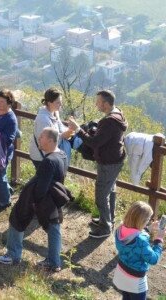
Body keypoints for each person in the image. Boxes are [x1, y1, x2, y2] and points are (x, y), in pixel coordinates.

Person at [0, 128, 69, 272]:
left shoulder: (48, 161)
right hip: (53, 198)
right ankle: (54, 262)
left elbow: (41, 188)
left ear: (50, 140)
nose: (38, 139)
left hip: (41, 199)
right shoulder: (62, 155)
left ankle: (12, 255)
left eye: (42, 137)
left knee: (17, 218)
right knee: (54, 228)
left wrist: (34, 203)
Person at [69, 90, 128, 238]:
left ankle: (105, 227)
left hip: (108, 163)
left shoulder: (109, 121)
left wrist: (78, 129)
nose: (96, 104)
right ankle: (107, 219)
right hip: (115, 159)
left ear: (106, 104)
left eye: (98, 102)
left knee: (101, 195)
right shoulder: (118, 114)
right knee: (110, 190)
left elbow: (94, 143)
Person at [113, 201, 164, 300]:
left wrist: (148, 228)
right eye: (148, 220)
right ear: (142, 221)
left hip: (122, 272)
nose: (149, 222)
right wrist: (159, 240)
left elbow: (132, 235)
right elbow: (153, 259)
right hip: (135, 281)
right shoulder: (141, 240)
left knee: (126, 297)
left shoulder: (119, 229)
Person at [29, 87, 74, 169]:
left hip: (50, 155)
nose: (60, 105)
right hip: (41, 157)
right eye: (58, 103)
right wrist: (63, 135)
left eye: (61, 102)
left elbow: (59, 126)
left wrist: (69, 130)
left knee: (48, 180)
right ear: (49, 103)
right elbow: (44, 141)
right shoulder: (43, 120)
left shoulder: (54, 112)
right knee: (46, 180)